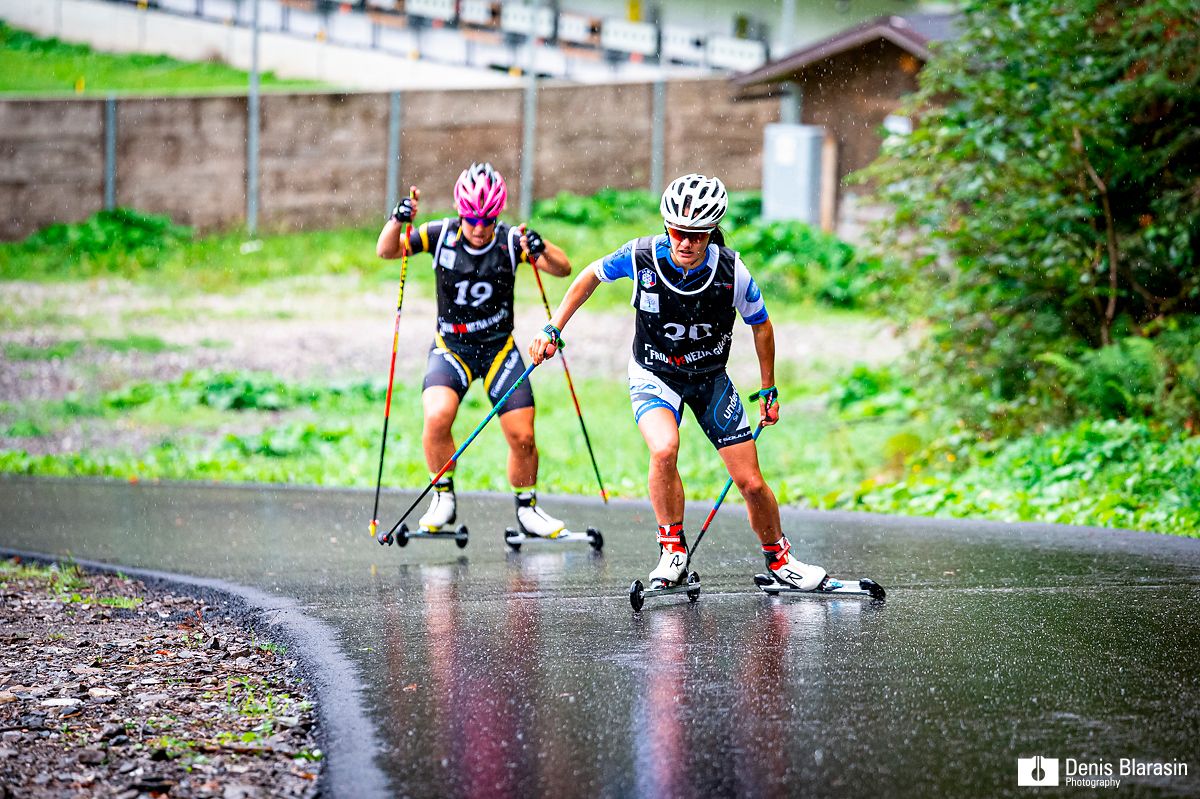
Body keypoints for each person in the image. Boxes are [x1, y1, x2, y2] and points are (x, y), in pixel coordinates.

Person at [528, 173, 827, 590]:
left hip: (709, 380)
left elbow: (761, 325)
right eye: (677, 232)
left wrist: (769, 388)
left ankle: (781, 561)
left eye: (697, 235)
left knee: (751, 482)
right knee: (665, 447)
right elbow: (590, 276)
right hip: (654, 372)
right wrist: (552, 328)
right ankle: (672, 548)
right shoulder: (642, 256)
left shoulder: (731, 271)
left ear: (711, 233)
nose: (685, 243)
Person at [376, 162, 573, 537]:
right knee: (436, 417)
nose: (479, 228)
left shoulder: (511, 239)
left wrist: (540, 246)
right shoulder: (439, 233)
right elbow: (386, 251)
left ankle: (528, 509)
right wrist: (395, 220)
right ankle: (443, 498)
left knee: (523, 436)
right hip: (452, 349)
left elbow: (562, 269)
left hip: (499, 350)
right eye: (471, 219)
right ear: (459, 212)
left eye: (488, 219)